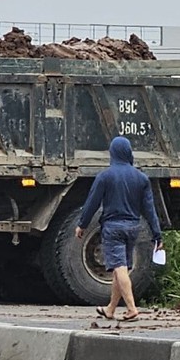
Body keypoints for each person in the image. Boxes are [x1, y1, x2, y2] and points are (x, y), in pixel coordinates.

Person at [74, 135, 161, 322]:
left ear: (112, 153)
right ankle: (111, 309)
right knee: (120, 269)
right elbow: (150, 210)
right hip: (133, 228)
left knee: (119, 267)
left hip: (113, 228)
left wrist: (82, 224)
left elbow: (92, 203)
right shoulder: (141, 178)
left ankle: (131, 309)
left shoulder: (105, 176)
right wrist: (157, 235)